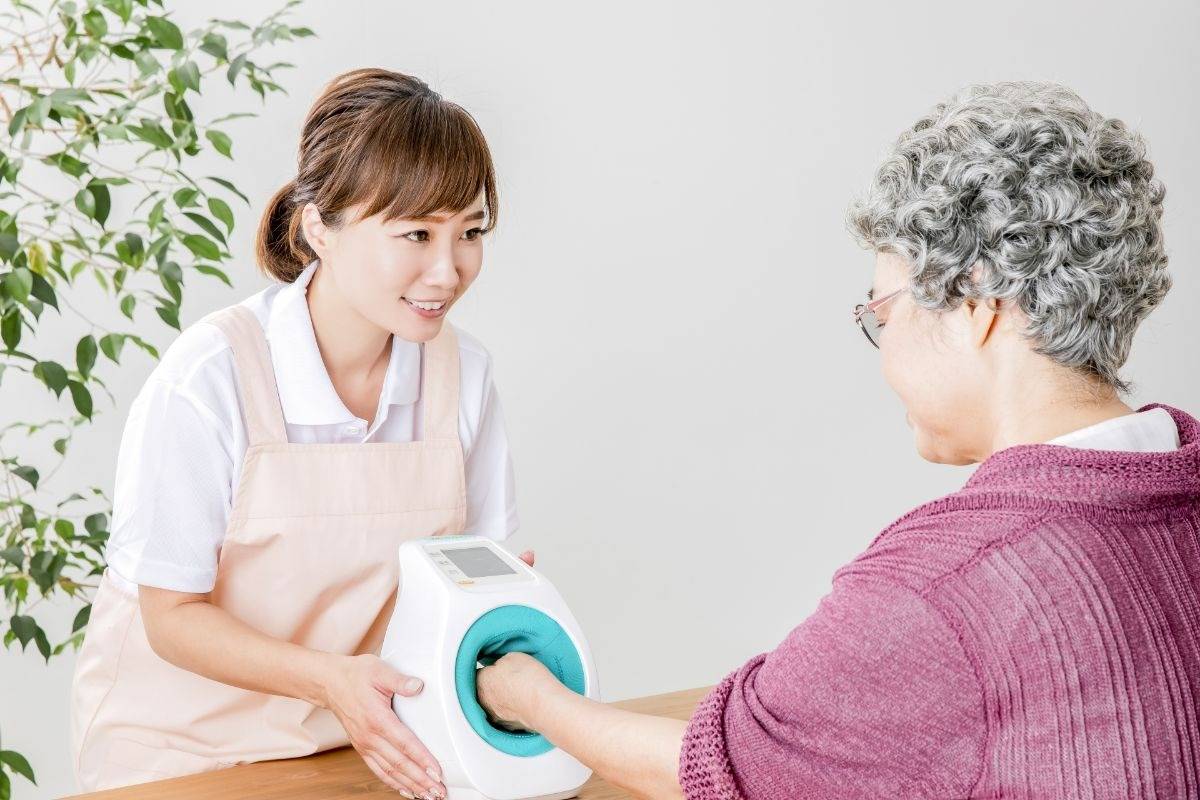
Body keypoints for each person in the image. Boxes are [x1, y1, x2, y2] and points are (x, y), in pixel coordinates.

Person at [477, 81, 1199, 799]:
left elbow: (725, 765)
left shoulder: (944, 586)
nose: (883, 351)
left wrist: (529, 698)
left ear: (977, 305)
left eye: (883, 315)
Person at [70, 68, 525, 800]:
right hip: (181, 752)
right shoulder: (213, 376)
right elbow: (170, 617)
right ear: (320, 227)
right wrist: (333, 681)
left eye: (470, 232)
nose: (448, 270)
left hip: (362, 739)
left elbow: (483, 578)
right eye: (416, 232)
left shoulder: (462, 373)